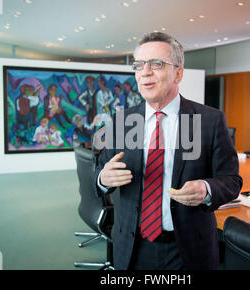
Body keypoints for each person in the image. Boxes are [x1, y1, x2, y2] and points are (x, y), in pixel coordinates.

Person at [93, 32, 242, 270]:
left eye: (157, 64)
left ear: (178, 73)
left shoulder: (209, 121)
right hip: (131, 248)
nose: (145, 72)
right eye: (139, 65)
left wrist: (206, 189)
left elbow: (232, 181)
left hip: (188, 251)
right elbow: (98, 173)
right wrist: (103, 178)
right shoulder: (122, 121)